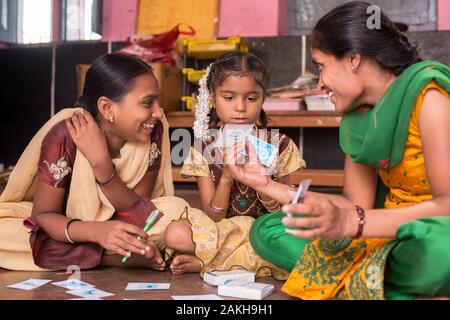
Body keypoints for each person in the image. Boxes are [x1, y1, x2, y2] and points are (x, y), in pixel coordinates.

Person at [225, 1, 450, 300]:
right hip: (380, 232)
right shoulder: (359, 116)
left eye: (320, 66)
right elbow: (355, 204)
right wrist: (265, 184)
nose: (320, 84)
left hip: (432, 231)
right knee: (268, 230)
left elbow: (447, 205)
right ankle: (376, 279)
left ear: (353, 59)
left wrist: (351, 224)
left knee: (440, 252)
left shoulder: (430, 97)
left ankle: (362, 276)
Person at [0, 53, 191, 271]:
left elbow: (139, 208)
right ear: (107, 108)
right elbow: (43, 216)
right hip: (65, 225)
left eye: (158, 101)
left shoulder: (154, 127)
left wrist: (102, 166)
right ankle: (109, 257)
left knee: (175, 210)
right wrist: (97, 232)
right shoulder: (66, 134)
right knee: (7, 232)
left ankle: (104, 251)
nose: (158, 112)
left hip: (127, 217)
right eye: (148, 103)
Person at [161, 51, 305, 276]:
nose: (240, 107)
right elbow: (213, 217)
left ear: (263, 98)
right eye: (229, 98)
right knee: (175, 233)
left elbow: (284, 212)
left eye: (251, 98)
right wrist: (227, 178)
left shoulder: (281, 145)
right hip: (224, 231)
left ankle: (207, 262)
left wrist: (263, 182)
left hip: (266, 231)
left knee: (293, 239)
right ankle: (241, 261)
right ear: (212, 97)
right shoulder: (202, 149)